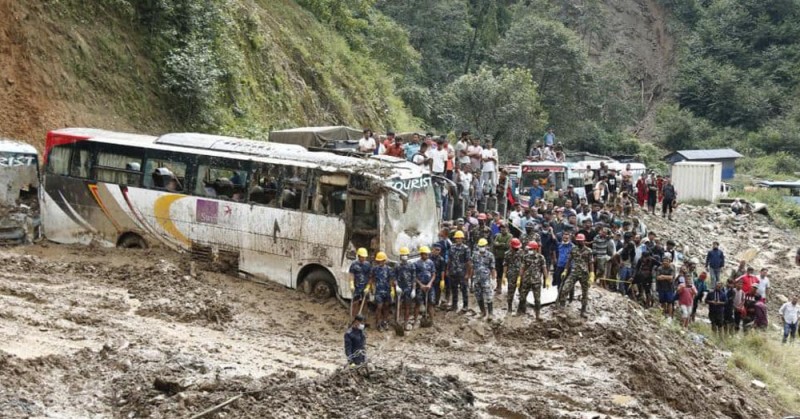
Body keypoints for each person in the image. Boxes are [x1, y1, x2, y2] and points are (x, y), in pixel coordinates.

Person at [557, 233, 593, 318]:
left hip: (584, 274)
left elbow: (591, 263)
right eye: (578, 241)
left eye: (581, 241)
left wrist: (592, 274)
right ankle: (562, 308)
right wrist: (565, 270)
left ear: (584, 241)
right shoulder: (573, 249)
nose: (579, 242)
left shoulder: (589, 251)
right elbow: (569, 260)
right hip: (574, 272)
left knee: (585, 293)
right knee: (565, 288)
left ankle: (583, 311)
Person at [519, 241, 548, 320]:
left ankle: (537, 315)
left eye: (531, 249)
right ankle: (521, 311)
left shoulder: (541, 257)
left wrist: (547, 279)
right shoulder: (525, 257)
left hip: (536, 281)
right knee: (522, 297)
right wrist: (519, 278)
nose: (529, 250)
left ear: (535, 249)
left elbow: (544, 268)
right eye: (529, 249)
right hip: (526, 280)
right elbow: (522, 267)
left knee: (537, 299)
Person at [469, 238, 496, 318]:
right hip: (477, 279)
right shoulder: (475, 255)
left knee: (488, 296)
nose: (482, 247)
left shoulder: (490, 255)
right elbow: (472, 267)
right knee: (478, 296)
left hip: (486, 280)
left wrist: (493, 280)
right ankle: (482, 312)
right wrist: (471, 281)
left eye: (483, 246)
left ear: (486, 246)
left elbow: (492, 268)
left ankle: (490, 313)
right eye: (480, 246)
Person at [448, 231, 472, 313]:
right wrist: (448, 270)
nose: (458, 240)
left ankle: (465, 306)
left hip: (462, 273)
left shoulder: (466, 248)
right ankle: (454, 305)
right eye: (457, 238)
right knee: (454, 289)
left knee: (464, 289)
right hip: (453, 272)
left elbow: (468, 262)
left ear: (462, 239)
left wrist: (468, 273)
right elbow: (450, 259)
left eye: (460, 238)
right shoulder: (452, 247)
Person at [393, 247, 415, 330]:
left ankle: (406, 322)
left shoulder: (411, 265)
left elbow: (413, 278)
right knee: (398, 305)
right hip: (399, 289)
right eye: (402, 255)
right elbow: (394, 277)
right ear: (400, 256)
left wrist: (413, 289)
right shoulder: (397, 265)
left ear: (408, 255)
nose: (404, 256)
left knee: (407, 306)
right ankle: (397, 322)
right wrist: (396, 286)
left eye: (405, 255)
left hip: (408, 289)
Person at [413, 246, 436, 327]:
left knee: (430, 304)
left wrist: (429, 284)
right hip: (420, 287)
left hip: (429, 286)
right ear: (421, 254)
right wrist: (421, 285)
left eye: (427, 254)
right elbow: (414, 276)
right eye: (425, 254)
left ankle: (432, 321)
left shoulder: (431, 263)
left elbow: (433, 274)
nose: (427, 256)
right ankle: (415, 321)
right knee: (418, 304)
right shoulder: (416, 264)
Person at [370, 252, 391, 331]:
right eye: (378, 261)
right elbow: (371, 279)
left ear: (384, 260)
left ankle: (385, 322)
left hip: (387, 291)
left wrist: (392, 289)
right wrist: (371, 288)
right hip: (378, 291)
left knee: (386, 307)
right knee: (379, 307)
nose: (380, 262)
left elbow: (391, 279)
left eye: (381, 260)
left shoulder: (389, 269)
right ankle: (378, 323)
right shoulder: (375, 269)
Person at [349, 248, 371, 320]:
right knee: (355, 302)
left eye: (365, 257)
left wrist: (368, 287)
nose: (364, 258)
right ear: (358, 256)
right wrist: (351, 284)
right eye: (362, 257)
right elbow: (351, 274)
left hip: (365, 287)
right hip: (357, 287)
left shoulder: (368, 265)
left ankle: (364, 318)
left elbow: (370, 277)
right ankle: (354, 318)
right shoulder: (354, 264)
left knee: (365, 302)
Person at [503, 238, 523, 312]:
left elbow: (523, 264)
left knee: (522, 292)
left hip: (520, 274)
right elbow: (505, 265)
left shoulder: (521, 252)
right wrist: (504, 275)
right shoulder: (507, 254)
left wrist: (520, 276)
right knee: (510, 292)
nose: (516, 249)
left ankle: (521, 308)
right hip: (511, 275)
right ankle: (509, 308)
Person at [493, 224, 512, 292]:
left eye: (504, 228)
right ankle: (498, 287)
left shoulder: (510, 236)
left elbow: (507, 246)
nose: (503, 230)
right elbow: (494, 244)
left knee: (508, 273)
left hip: (506, 258)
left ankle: (509, 288)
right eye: (501, 228)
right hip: (498, 257)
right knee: (499, 272)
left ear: (507, 228)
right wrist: (501, 244)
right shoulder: (498, 235)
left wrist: (499, 244)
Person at [656, 253, 676, 318]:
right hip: (661, 287)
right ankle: (663, 315)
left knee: (670, 302)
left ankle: (669, 316)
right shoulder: (659, 268)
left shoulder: (672, 268)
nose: (665, 262)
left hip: (669, 288)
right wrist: (666, 277)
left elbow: (671, 277)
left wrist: (662, 276)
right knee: (662, 302)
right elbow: (658, 277)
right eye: (664, 260)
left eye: (667, 261)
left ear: (669, 261)